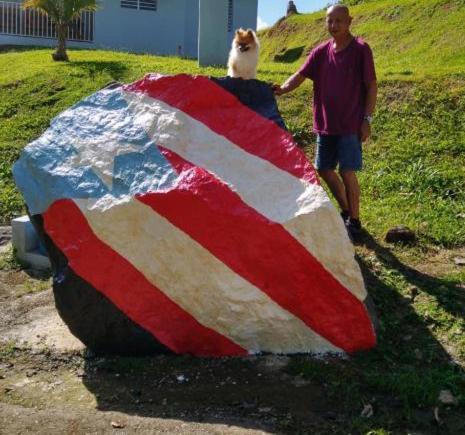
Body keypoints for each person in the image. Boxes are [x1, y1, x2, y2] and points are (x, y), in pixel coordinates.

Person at [273, 4, 377, 241]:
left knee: (348, 171)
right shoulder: (320, 52)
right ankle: (347, 212)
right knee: (324, 169)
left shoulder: (361, 49)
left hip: (350, 125)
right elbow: (299, 75)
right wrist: (281, 89)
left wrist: (367, 119)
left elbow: (371, 86)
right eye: (330, 21)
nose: (334, 26)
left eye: (339, 21)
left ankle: (356, 222)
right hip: (325, 124)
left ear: (349, 21)